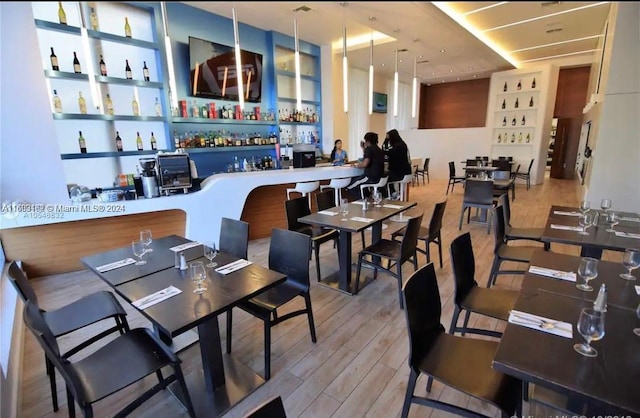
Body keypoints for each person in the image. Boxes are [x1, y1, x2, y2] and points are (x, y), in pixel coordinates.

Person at [345, 132, 385, 200]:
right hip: (379, 176)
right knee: (361, 185)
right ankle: (367, 198)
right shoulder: (379, 150)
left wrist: (355, 166)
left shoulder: (369, 149)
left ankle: (363, 202)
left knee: (349, 186)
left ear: (367, 141)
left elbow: (365, 163)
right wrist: (363, 148)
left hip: (370, 176)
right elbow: (369, 156)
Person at [384, 129, 412, 199]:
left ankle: (392, 194)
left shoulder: (397, 146)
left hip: (400, 173)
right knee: (387, 175)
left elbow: (385, 151)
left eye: (389, 138)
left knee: (384, 177)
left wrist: (385, 140)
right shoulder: (402, 144)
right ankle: (395, 194)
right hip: (407, 172)